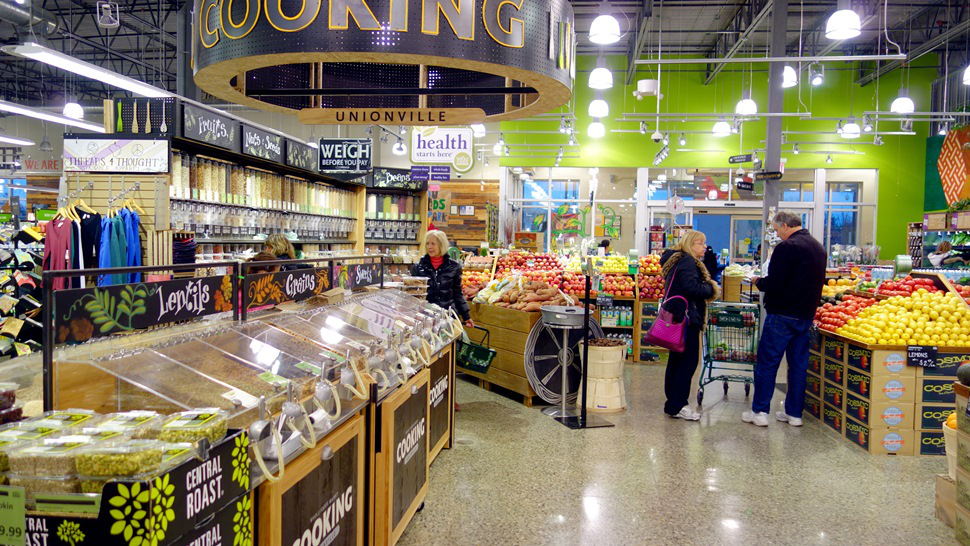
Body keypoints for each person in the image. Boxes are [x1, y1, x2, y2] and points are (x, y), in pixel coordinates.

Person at [743, 211, 826, 427]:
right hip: (806, 316)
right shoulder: (818, 247)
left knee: (768, 363)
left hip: (781, 315)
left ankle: (760, 412)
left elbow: (775, 283)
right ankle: (794, 414)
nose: (777, 233)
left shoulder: (786, 248)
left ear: (787, 226)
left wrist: (758, 281)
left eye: (777, 228)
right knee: (798, 366)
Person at [659, 230, 720, 421]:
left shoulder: (676, 260)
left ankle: (673, 404)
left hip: (677, 316)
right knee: (687, 362)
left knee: (676, 361)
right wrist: (711, 287)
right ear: (690, 244)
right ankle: (679, 404)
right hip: (687, 318)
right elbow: (692, 288)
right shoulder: (687, 262)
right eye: (701, 243)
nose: (704, 247)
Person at [412, 230, 473, 328]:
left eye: (433, 244)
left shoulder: (454, 267)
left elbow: (457, 293)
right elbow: (413, 294)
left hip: (447, 316)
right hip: (425, 317)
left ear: (441, 245)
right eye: (427, 243)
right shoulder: (418, 267)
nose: (429, 247)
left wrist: (466, 316)